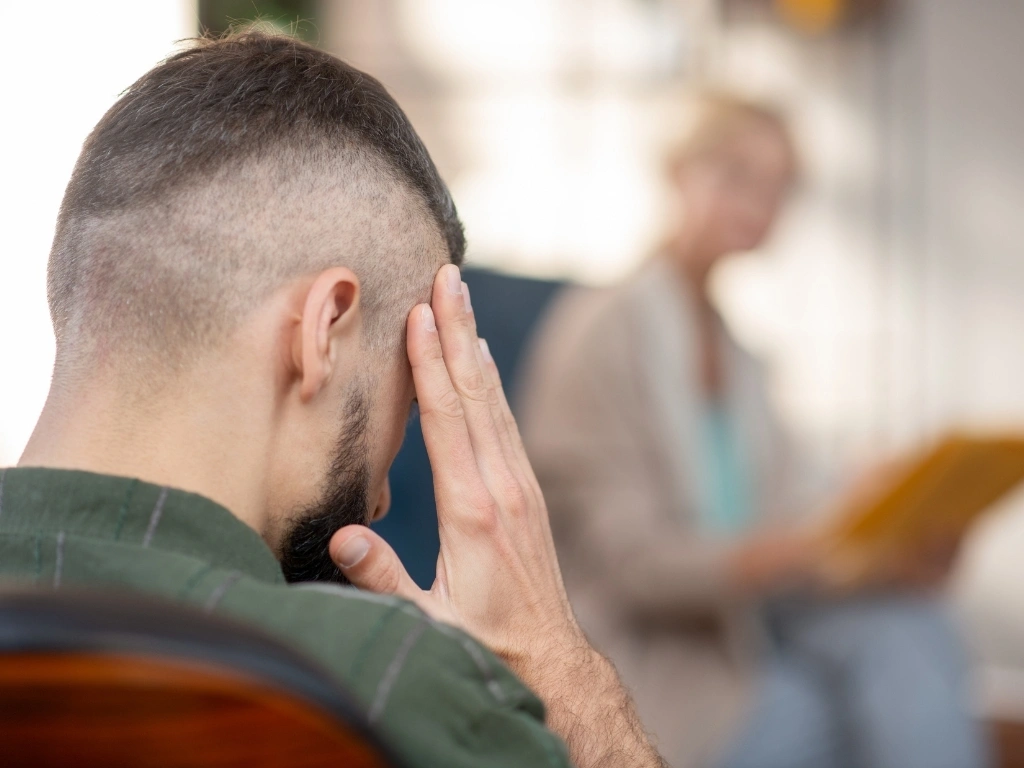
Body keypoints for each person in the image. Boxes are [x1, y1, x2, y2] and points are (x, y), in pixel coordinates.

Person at [1, 32, 669, 768]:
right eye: (406, 401)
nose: (379, 498)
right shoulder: (383, 688)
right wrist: (556, 667)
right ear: (324, 330)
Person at [519, 95, 989, 768]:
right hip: (654, 648)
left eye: (778, 187)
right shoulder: (598, 333)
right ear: (677, 172)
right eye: (736, 174)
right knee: (823, 708)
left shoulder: (739, 355)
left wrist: (887, 540)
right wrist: (806, 546)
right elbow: (637, 567)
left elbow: (793, 508)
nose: (758, 202)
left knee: (915, 628)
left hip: (744, 622)